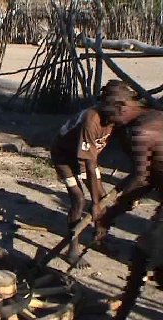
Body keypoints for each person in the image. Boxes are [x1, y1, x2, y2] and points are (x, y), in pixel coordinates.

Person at [50, 80, 142, 269]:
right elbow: (89, 165)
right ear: (111, 108)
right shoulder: (91, 121)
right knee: (79, 200)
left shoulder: (116, 120)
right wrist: (95, 203)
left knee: (102, 198)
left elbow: (125, 144)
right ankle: (72, 249)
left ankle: (99, 237)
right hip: (65, 158)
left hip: (85, 159)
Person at [89, 98, 163, 319]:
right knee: (146, 252)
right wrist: (112, 213)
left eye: (112, 117)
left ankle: (123, 313)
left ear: (124, 109)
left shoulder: (142, 131)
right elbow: (146, 179)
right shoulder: (153, 118)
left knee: (145, 253)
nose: (111, 123)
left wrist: (109, 215)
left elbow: (142, 179)